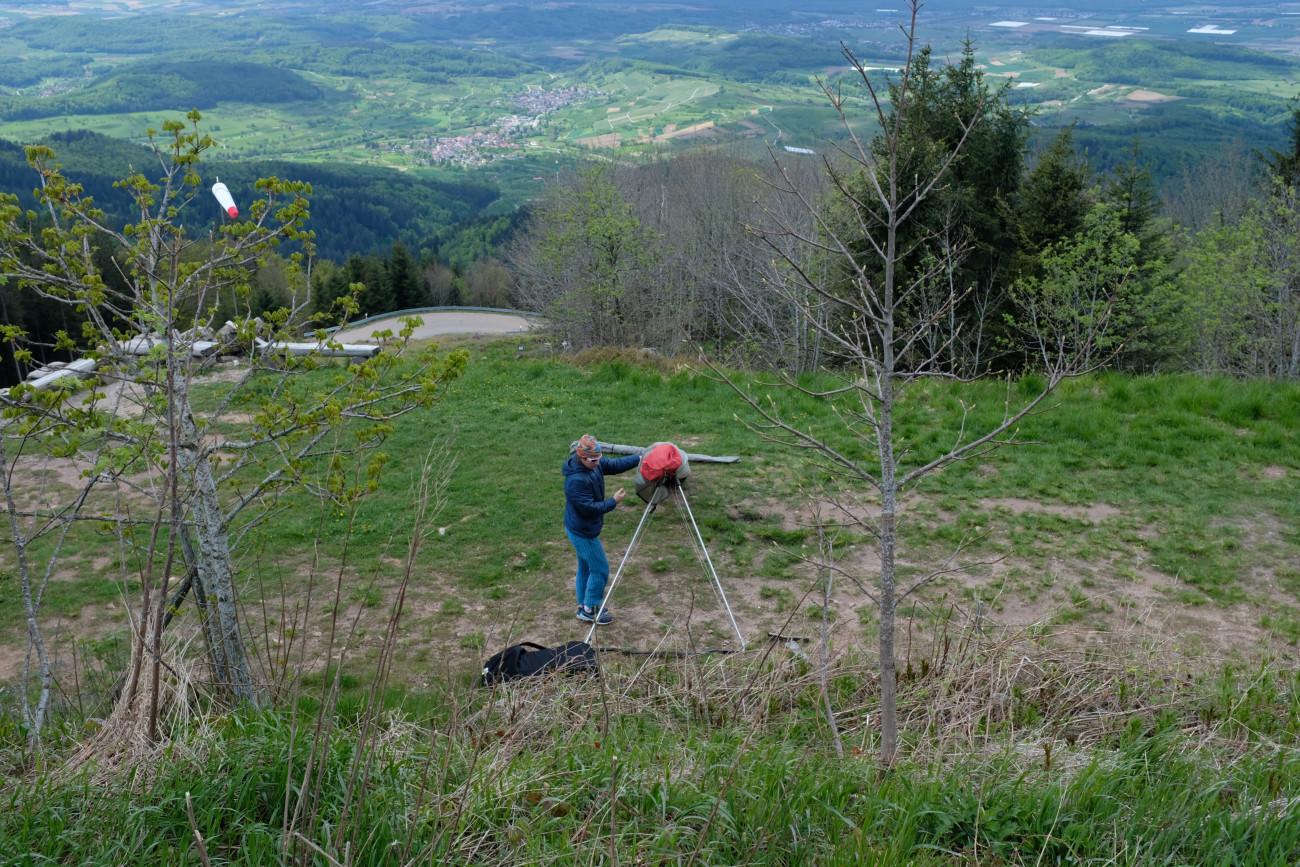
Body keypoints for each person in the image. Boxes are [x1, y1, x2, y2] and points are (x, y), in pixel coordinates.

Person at [562, 434, 640, 624]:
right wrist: (613, 502)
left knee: (586, 567)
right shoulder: (576, 481)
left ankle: (584, 607)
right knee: (600, 568)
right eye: (593, 460)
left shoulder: (593, 463)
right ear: (581, 457)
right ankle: (590, 609)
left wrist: (640, 457)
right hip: (583, 532)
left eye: (599, 458)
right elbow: (589, 509)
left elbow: (613, 465)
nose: (598, 463)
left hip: (580, 528)